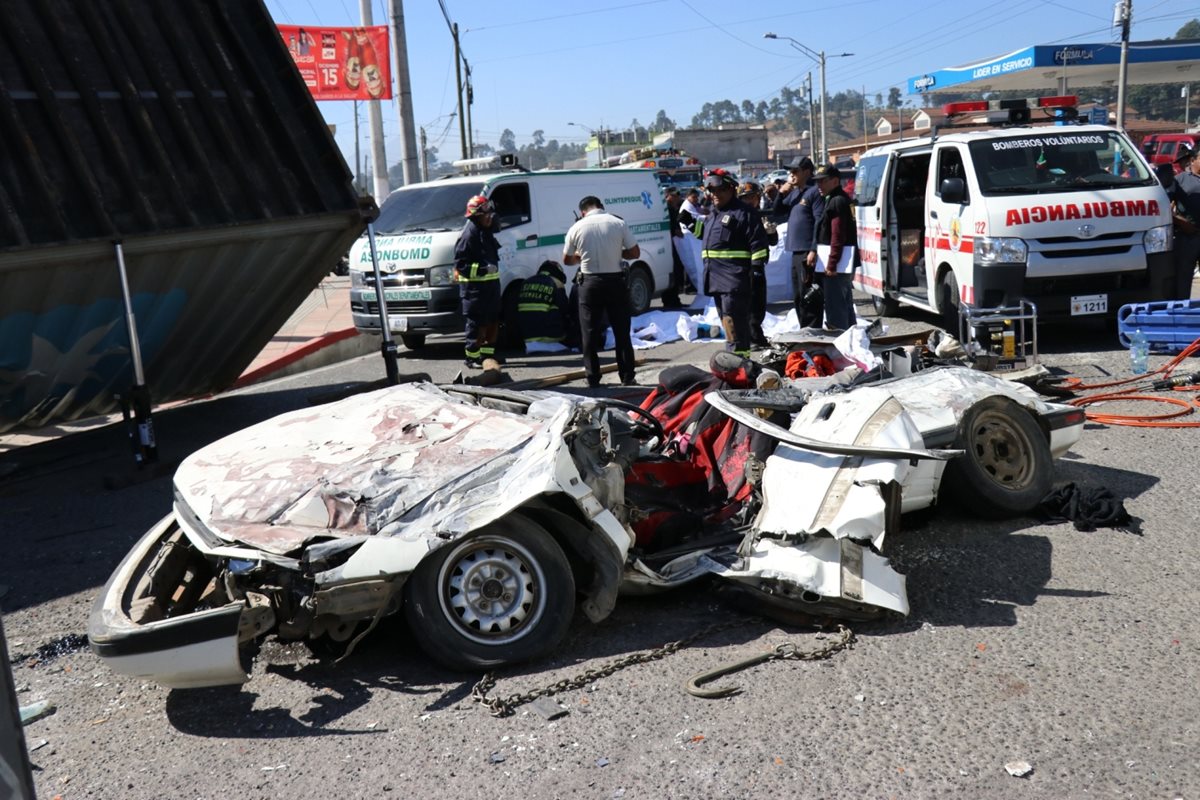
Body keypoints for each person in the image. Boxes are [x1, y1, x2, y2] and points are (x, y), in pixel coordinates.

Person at [563, 196, 640, 387]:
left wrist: (582, 256)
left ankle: (593, 377)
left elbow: (567, 260)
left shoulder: (576, 228)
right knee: (621, 331)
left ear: (582, 211)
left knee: (588, 332)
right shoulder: (618, 223)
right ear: (601, 207)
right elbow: (634, 253)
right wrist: (616, 252)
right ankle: (627, 376)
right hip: (615, 282)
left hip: (589, 283)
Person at [701, 169, 769, 357]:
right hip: (715, 278)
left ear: (731, 189)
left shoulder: (743, 213)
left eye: (720, 190)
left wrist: (756, 270)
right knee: (727, 322)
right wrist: (691, 224)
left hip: (734, 279)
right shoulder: (713, 214)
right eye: (712, 191)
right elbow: (708, 239)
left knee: (734, 323)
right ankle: (736, 361)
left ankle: (740, 363)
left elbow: (759, 244)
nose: (715, 195)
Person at [773, 156, 824, 326]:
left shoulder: (814, 192)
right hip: (795, 251)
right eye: (790, 172)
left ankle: (813, 333)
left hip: (807, 251)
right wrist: (781, 193)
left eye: (795, 171)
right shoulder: (795, 193)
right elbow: (777, 212)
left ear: (807, 172)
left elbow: (819, 221)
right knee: (798, 296)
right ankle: (804, 330)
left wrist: (814, 249)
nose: (791, 175)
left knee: (809, 295)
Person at [453, 195, 502, 368]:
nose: (490, 217)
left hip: (491, 288)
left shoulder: (485, 232)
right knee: (476, 324)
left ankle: (488, 356)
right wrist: (482, 270)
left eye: (490, 213)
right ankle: (472, 357)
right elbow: (461, 264)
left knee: (492, 321)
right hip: (475, 290)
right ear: (476, 216)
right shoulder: (468, 236)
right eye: (486, 214)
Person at [810, 165, 858, 330]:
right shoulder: (839, 198)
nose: (819, 186)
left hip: (837, 265)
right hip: (842, 263)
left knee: (836, 308)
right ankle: (852, 340)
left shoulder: (837, 201)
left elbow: (838, 236)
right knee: (846, 305)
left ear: (835, 181)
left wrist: (832, 264)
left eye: (823, 181)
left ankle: (839, 346)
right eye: (817, 182)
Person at [737, 181, 779, 347]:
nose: (750, 201)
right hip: (746, 266)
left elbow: (772, 242)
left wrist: (771, 232)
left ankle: (756, 333)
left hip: (758, 265)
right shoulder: (740, 216)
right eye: (746, 198)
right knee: (750, 303)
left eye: (753, 197)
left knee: (759, 303)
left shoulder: (758, 215)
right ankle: (751, 337)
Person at [517, 260, 576, 349]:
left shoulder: (526, 282)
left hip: (527, 339)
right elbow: (565, 310)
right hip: (549, 339)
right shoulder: (556, 283)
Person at [1169, 146, 1200, 300]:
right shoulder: (1180, 180)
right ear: (1193, 160)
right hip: (1188, 237)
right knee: (1183, 279)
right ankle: (1183, 314)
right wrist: (1181, 222)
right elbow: (1163, 207)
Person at [659, 186, 687, 308]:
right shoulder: (666, 208)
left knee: (674, 271)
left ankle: (673, 299)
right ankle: (671, 300)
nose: (677, 198)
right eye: (674, 196)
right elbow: (671, 226)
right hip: (669, 244)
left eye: (678, 196)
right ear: (668, 196)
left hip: (671, 243)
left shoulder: (671, 208)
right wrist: (676, 231)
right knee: (673, 270)